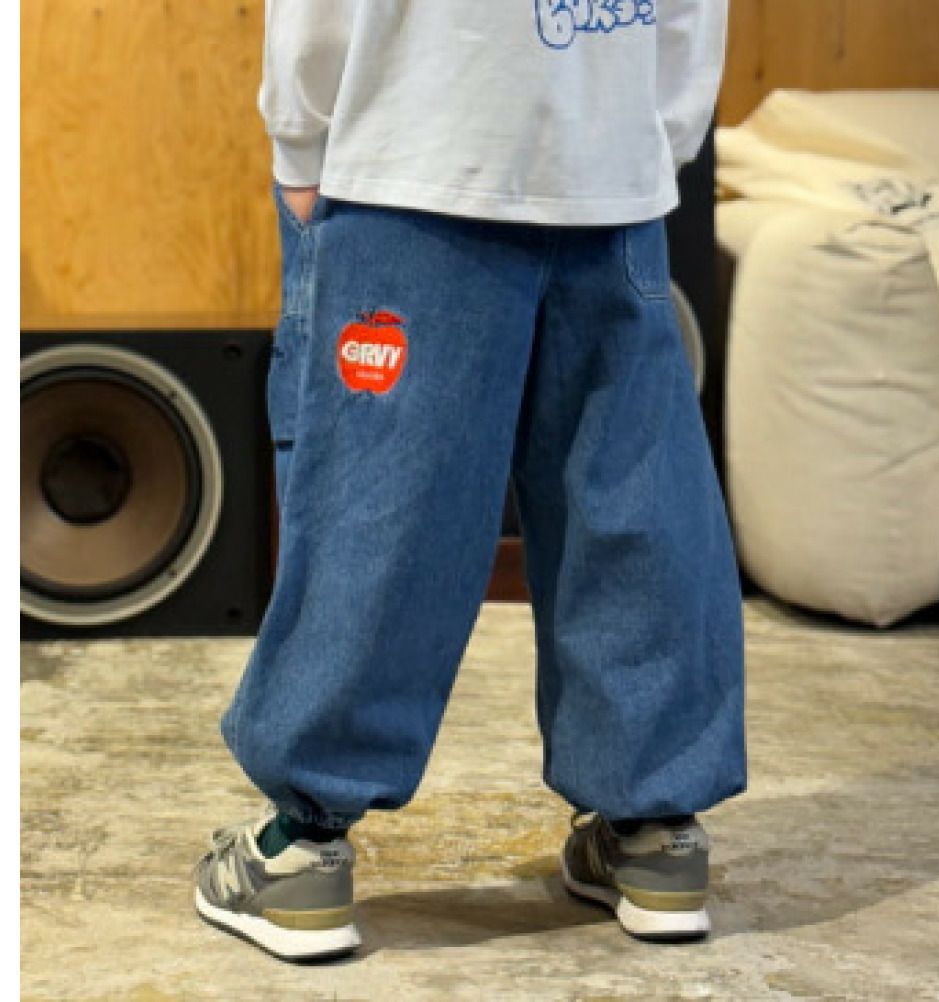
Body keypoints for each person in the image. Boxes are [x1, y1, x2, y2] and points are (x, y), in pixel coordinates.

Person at [194, 0, 746, 962]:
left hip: (414, 151)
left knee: (387, 507)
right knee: (631, 500)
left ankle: (303, 852)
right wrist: (656, 136)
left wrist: (301, 138)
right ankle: (654, 833)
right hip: (609, 162)